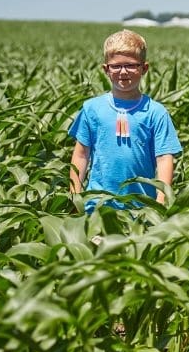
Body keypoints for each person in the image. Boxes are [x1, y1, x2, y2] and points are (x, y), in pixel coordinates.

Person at [68, 29, 182, 214]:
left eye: (130, 65)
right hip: (96, 208)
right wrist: (75, 196)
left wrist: (161, 200)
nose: (123, 72)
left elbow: (164, 159)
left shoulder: (156, 112)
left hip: (142, 209)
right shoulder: (92, 108)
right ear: (106, 69)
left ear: (144, 68)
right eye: (116, 66)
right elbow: (81, 155)